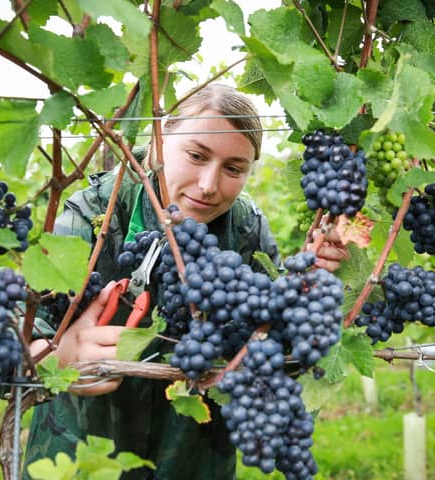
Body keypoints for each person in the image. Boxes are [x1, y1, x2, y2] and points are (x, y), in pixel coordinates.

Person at [24, 83, 348, 479]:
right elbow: (9, 347)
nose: (209, 185)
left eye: (234, 168)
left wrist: (306, 297)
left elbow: (273, 352)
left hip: (193, 459)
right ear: (158, 142)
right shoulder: (90, 217)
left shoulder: (247, 228)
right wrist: (58, 355)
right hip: (80, 455)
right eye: (196, 155)